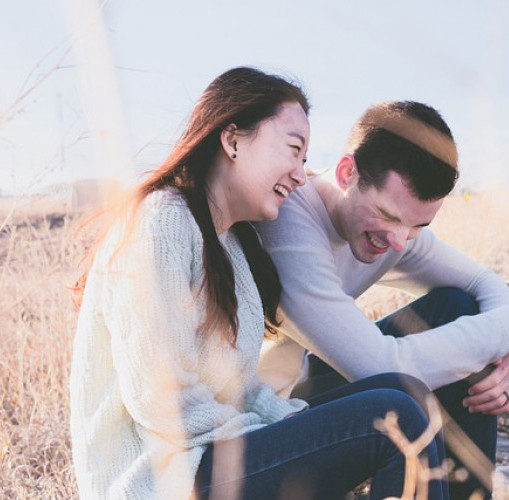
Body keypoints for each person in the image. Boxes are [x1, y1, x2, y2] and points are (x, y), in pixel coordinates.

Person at [69, 69, 448, 499]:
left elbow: (238, 386)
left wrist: (289, 424)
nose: (301, 175)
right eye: (292, 150)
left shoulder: (230, 245)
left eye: (305, 160)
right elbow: (159, 398)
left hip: (211, 458)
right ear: (232, 140)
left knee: (403, 389)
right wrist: (269, 433)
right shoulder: (161, 222)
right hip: (162, 480)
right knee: (393, 416)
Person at [255, 100, 509, 498]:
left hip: (301, 388)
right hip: (259, 424)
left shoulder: (397, 230)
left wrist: (504, 355)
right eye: (388, 215)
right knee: (407, 394)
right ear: (346, 173)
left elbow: (482, 281)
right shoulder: (289, 224)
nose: (398, 240)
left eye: (418, 225)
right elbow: (379, 365)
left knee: (457, 306)